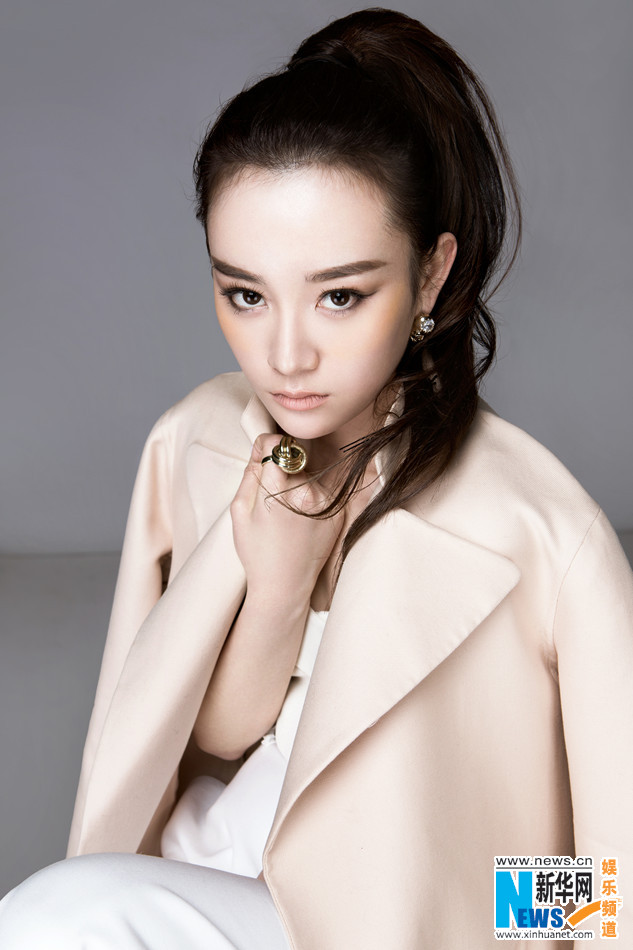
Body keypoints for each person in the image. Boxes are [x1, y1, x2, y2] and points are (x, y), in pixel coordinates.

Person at [1, 7, 631, 949]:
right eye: (244, 294)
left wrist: (487, 923)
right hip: (206, 890)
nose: (285, 354)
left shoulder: (539, 532)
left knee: (54, 917)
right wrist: (279, 589)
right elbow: (193, 743)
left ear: (430, 276)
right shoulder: (198, 444)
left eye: (340, 294)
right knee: (59, 915)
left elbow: (613, 882)